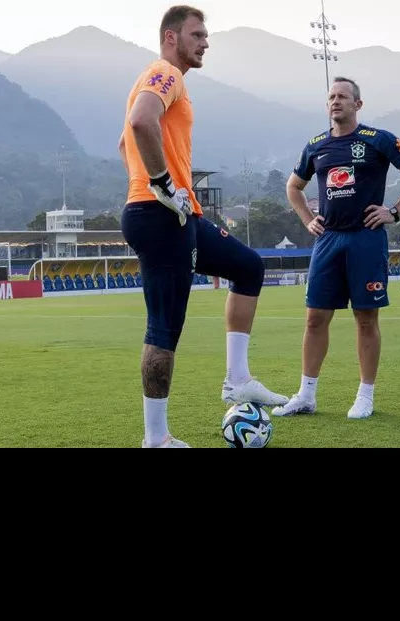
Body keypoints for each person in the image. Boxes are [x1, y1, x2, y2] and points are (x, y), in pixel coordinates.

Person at [117, 5, 288, 448]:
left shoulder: (167, 81)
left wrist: (168, 188)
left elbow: (125, 141)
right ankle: (156, 438)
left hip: (181, 214)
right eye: (197, 33)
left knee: (249, 267)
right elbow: (139, 122)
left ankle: (237, 380)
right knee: (164, 328)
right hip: (160, 216)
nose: (206, 41)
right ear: (171, 37)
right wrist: (158, 184)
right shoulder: (164, 73)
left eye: (206, 34)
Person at [275, 77, 400, 419]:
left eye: (343, 97)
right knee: (315, 318)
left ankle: (365, 396)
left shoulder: (379, 140)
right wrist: (307, 219)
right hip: (329, 239)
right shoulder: (316, 145)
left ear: (357, 105)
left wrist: (394, 212)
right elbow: (293, 187)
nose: (336, 101)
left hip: (365, 238)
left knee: (365, 318)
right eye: (331, 97)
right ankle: (306, 395)